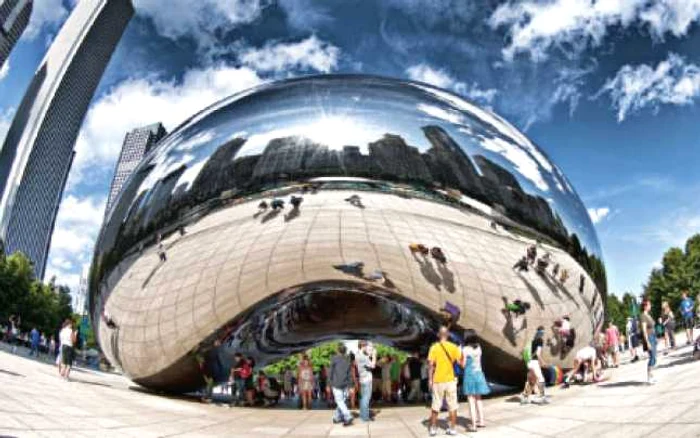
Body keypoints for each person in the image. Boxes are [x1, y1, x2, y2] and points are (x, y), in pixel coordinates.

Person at [427, 326, 462, 436]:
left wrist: (430, 380)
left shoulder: (434, 348)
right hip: (451, 380)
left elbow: (431, 365)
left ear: (438, 335)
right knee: (453, 405)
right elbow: (461, 363)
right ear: (447, 335)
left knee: (436, 405)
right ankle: (452, 428)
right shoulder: (453, 347)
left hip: (438, 380)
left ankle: (433, 428)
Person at [461, 329, 489, 432]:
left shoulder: (465, 349)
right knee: (478, 399)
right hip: (479, 374)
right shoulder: (479, 348)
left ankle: (473, 426)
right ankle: (481, 421)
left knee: (471, 400)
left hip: (470, 376)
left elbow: (463, 365)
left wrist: (460, 360)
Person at [522, 326, 549, 404]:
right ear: (542, 332)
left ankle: (525, 398)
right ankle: (542, 397)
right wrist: (542, 362)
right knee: (540, 378)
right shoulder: (540, 340)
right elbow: (537, 353)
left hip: (529, 362)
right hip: (534, 362)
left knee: (532, 380)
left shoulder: (533, 340)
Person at [329, 344, 353, 426]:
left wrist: (328, 384)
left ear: (338, 351)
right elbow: (350, 374)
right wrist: (351, 386)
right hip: (345, 384)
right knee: (341, 401)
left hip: (336, 384)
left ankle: (348, 416)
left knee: (339, 401)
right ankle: (336, 417)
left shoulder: (334, 359)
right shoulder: (348, 360)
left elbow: (330, 372)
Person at [356, 341, 377, 422]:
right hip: (367, 379)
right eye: (366, 346)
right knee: (366, 398)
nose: (368, 347)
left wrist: (369, 354)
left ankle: (362, 415)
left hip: (362, 379)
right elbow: (373, 365)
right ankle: (365, 417)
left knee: (363, 398)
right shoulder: (363, 357)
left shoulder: (358, 355)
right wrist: (374, 355)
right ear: (363, 346)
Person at [640, 299, 657, 384]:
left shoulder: (648, 315)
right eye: (649, 305)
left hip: (653, 337)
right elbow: (644, 330)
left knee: (654, 358)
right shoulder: (643, 316)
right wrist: (647, 342)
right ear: (645, 306)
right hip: (649, 337)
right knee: (652, 357)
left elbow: (652, 326)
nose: (650, 306)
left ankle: (652, 376)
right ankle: (649, 377)